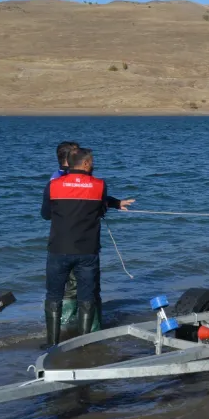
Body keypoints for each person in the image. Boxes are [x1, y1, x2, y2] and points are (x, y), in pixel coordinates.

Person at [41, 148, 135, 346]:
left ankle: (52, 344)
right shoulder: (99, 185)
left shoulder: (53, 185)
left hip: (58, 249)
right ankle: (83, 343)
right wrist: (114, 204)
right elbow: (101, 209)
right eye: (91, 161)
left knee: (54, 296)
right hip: (87, 250)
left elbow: (46, 214)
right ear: (84, 164)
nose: (93, 164)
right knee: (87, 296)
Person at [51, 141, 83, 328]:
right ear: (67, 159)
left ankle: (75, 320)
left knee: (79, 283)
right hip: (68, 241)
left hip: (80, 239)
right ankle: (66, 324)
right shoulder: (58, 179)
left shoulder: (72, 176)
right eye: (78, 154)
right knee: (72, 284)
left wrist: (112, 203)